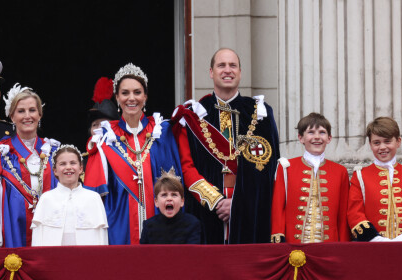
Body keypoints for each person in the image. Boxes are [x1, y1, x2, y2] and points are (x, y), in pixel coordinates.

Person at [171, 48, 280, 244]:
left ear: (240, 72)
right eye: (221, 65)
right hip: (206, 213)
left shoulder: (261, 114)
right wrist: (216, 201)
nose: (227, 70)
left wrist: (238, 204)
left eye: (233, 65)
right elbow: (187, 167)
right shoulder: (193, 115)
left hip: (250, 214)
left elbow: (269, 170)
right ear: (211, 72)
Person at [84, 63, 183, 245]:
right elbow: (93, 197)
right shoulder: (105, 138)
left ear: (145, 96)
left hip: (161, 227)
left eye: (137, 92)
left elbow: (176, 184)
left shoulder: (162, 131)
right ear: (117, 97)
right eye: (125, 93)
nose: (131, 98)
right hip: (118, 229)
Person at [0, 84, 59, 248]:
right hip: (11, 239)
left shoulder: (55, 154)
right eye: (21, 111)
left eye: (32, 110)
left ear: (40, 114)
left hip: (51, 238)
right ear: (11, 116)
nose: (27, 116)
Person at [270, 113, 350, 243]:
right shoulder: (286, 168)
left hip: (330, 246)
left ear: (329, 138)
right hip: (293, 245)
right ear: (301, 138)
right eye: (311, 132)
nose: (317, 137)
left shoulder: (341, 171)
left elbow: (342, 216)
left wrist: (344, 246)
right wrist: (278, 238)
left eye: (322, 132)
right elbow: (278, 207)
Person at [348, 117, 402, 241]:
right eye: (376, 142)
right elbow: (354, 214)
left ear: (398, 142)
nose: (382, 147)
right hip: (370, 247)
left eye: (387, 141)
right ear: (370, 144)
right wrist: (376, 239)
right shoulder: (360, 176)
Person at [31, 145, 108, 246]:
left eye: (73, 163)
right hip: (53, 259)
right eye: (62, 164)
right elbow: (37, 238)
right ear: (55, 171)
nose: (68, 167)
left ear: (80, 168)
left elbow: (102, 237)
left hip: (87, 258)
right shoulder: (46, 198)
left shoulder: (94, 198)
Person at [140, 170, 200, 244]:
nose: (169, 199)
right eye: (164, 195)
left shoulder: (192, 223)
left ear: (182, 201)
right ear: (156, 202)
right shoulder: (148, 226)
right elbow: (143, 254)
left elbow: (195, 253)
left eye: (174, 195)